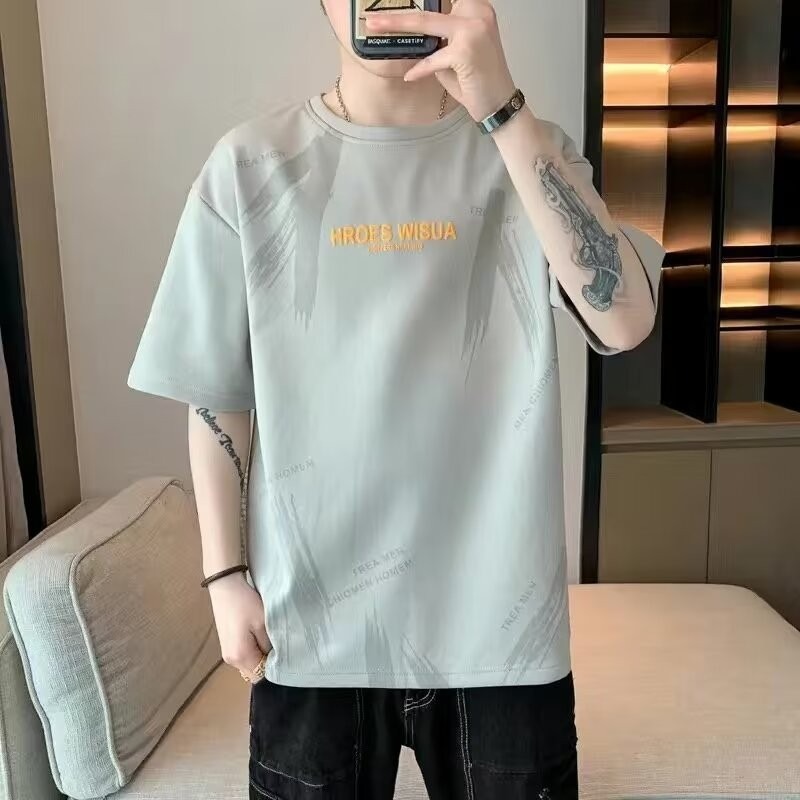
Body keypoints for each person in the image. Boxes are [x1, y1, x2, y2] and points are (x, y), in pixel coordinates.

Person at [127, 1, 664, 797]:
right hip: (312, 628)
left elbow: (623, 322)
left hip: (504, 634)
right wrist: (225, 575)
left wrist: (502, 107)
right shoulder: (250, 165)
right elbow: (216, 392)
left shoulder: (526, 151)